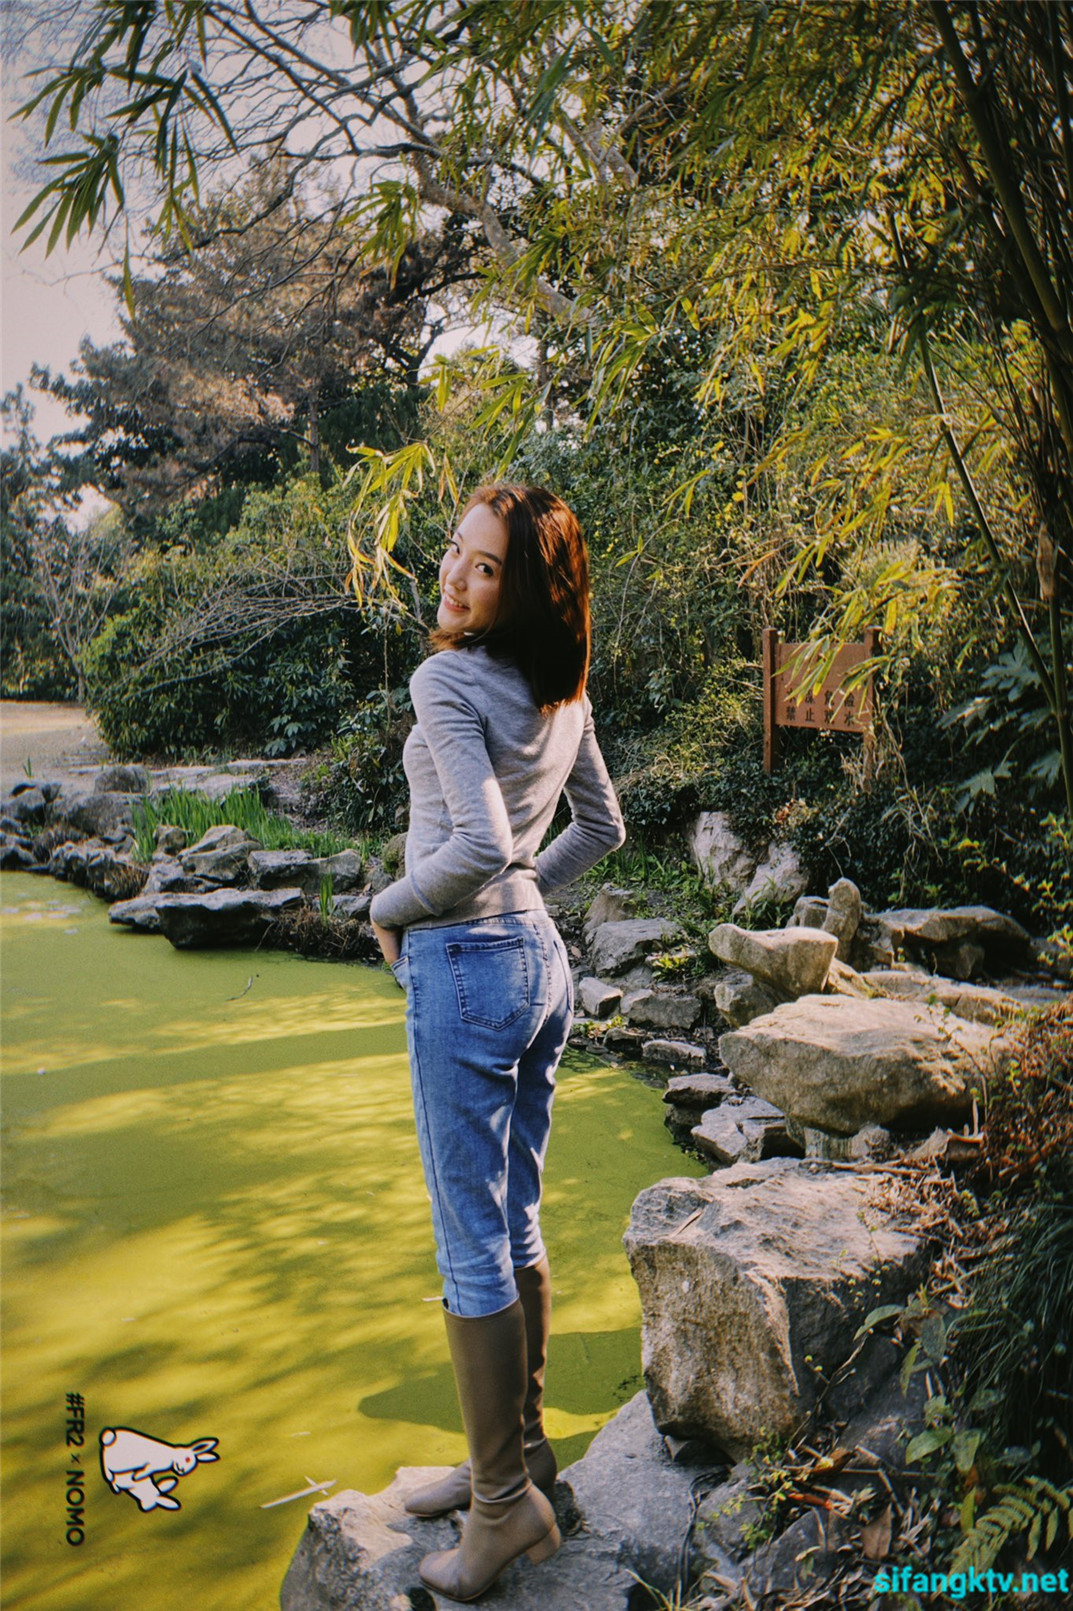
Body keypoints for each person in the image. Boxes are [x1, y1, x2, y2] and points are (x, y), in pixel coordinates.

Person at [369, 483, 625, 1602]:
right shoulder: (558, 686)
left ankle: (498, 1509)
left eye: (482, 568)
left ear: (521, 590)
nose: (453, 575)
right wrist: (525, 895)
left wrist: (386, 907)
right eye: (454, 552)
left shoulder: (444, 679)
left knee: (469, 1241)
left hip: (466, 969)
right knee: (512, 1217)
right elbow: (599, 828)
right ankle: (517, 1460)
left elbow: (475, 844)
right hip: (537, 965)